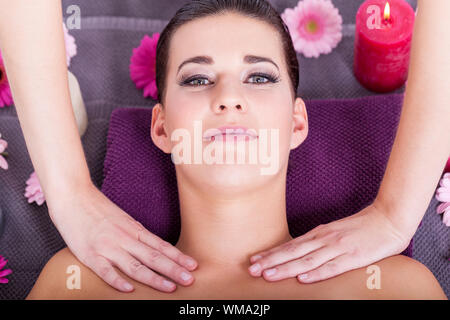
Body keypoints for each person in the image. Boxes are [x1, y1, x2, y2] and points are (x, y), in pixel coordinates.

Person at [1, 0, 448, 295]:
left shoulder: (395, 288)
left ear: (296, 122)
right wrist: (70, 194)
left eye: (259, 77)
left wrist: (396, 215)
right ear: (161, 128)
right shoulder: (77, 284)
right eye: (197, 79)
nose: (228, 97)